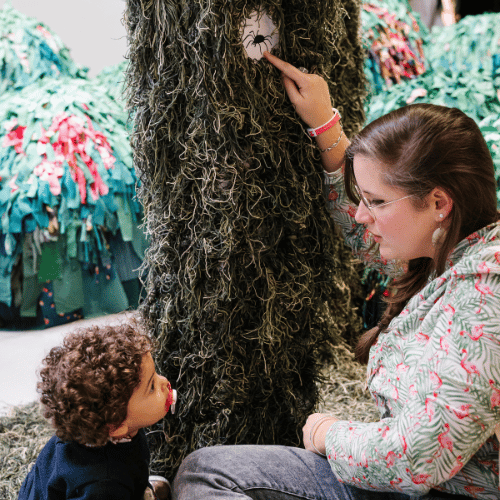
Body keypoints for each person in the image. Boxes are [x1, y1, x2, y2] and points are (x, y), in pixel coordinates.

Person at [171, 51, 500, 499]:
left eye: (377, 202)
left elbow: (419, 457)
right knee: (204, 468)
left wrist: (331, 434)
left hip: (440, 488)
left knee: (209, 478)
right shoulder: (455, 247)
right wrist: (325, 127)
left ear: (439, 203)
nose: (363, 214)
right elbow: (368, 233)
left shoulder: (486, 298)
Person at [18, 321, 177, 500]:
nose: (164, 382)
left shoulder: (108, 424)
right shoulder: (103, 484)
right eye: (152, 387)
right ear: (116, 425)